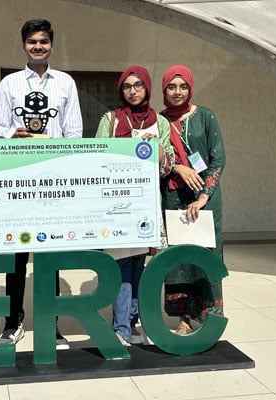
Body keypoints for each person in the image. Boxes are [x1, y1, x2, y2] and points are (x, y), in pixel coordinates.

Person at [0, 19, 82, 349]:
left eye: (43, 41)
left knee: (49, 254)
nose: (38, 46)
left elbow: (74, 132)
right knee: (16, 254)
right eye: (32, 42)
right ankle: (12, 322)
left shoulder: (65, 83)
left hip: (53, 179)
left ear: (52, 46)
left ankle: (50, 321)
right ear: (23, 46)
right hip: (19, 177)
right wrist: (11, 134)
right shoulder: (10, 84)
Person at [95, 65, 173, 346]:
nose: (132, 91)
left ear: (147, 87)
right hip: (116, 202)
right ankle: (121, 327)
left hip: (146, 202)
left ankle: (133, 321)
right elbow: (97, 157)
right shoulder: (111, 119)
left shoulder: (160, 123)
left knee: (140, 262)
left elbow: (168, 166)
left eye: (138, 85)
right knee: (120, 263)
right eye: (127, 86)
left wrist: (158, 149)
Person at [159, 65, 226, 335]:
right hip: (174, 196)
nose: (177, 92)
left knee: (206, 256)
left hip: (204, 198)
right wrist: (177, 168)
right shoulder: (161, 121)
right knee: (178, 260)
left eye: (182, 86)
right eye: (171, 87)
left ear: (190, 88)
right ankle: (184, 319)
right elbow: (157, 156)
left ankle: (211, 317)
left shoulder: (205, 116)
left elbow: (217, 158)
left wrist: (202, 196)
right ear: (164, 90)